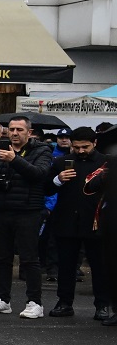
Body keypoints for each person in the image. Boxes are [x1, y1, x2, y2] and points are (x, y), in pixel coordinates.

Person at [0, 114, 54, 317]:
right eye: (11, 129)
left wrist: (15, 160)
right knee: (2, 258)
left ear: (29, 132)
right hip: (0, 209)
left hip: (27, 211)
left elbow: (39, 175)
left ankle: (35, 302)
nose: (14, 133)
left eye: (19, 130)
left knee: (29, 258)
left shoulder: (42, 151)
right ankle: (2, 299)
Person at [48, 127, 108, 318]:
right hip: (67, 221)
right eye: (76, 147)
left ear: (95, 143)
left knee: (99, 267)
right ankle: (64, 303)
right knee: (66, 266)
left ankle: (102, 305)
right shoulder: (61, 162)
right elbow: (46, 189)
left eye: (85, 147)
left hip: (97, 223)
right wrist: (57, 180)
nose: (81, 151)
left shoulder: (106, 163)